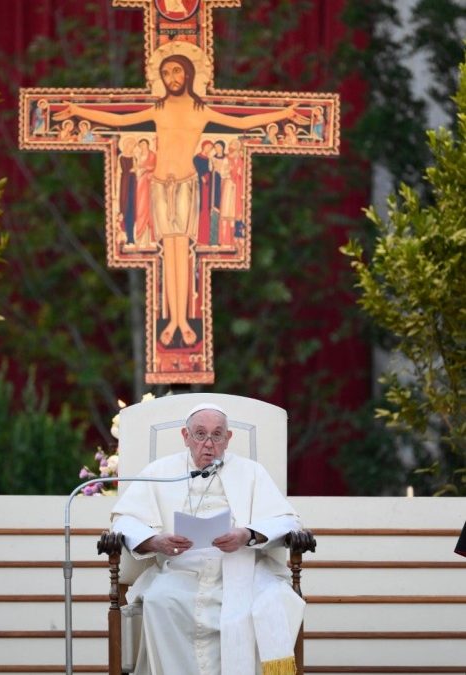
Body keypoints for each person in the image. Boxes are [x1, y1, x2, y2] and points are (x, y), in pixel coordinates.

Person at [53, 53, 299, 348]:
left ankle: (181, 319)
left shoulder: (201, 111)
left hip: (185, 185)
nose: (172, 78)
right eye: (167, 73)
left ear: (189, 75)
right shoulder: (158, 109)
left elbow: (243, 122)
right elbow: (119, 120)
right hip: (158, 186)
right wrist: (78, 111)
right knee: (168, 254)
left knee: (182, 253)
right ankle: (173, 320)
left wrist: (281, 115)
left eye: (178, 72)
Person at [111, 402, 305, 675]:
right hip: (181, 569)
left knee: (258, 607)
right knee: (160, 600)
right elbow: (124, 520)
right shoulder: (160, 472)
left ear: (228, 439)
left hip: (239, 570)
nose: (209, 443)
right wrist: (156, 541)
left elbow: (287, 520)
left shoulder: (251, 472)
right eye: (200, 434)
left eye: (217, 435)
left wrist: (246, 535)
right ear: (186, 436)